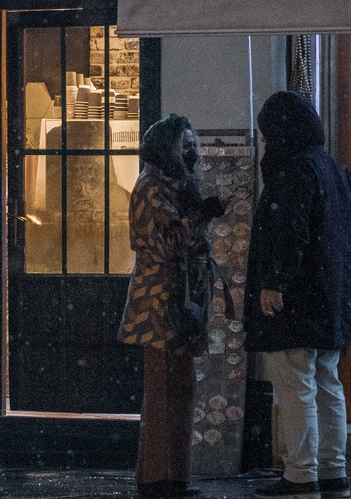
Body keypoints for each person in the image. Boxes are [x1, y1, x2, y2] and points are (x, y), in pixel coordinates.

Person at [245, 91, 351, 499]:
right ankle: (333, 470)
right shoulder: (335, 169)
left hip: (297, 301)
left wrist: (274, 283)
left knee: (295, 383)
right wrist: (344, 266)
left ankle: (301, 473)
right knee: (326, 382)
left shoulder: (294, 170)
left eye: (268, 134)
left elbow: (290, 232)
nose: (267, 142)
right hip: (330, 298)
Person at [119, 114, 224, 499]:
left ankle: (173, 477)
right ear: (168, 148)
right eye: (185, 144)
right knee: (164, 389)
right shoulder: (151, 188)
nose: (193, 149)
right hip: (161, 303)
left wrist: (198, 216)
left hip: (179, 299)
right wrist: (201, 218)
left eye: (194, 142)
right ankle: (157, 479)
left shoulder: (177, 185)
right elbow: (165, 247)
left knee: (179, 388)